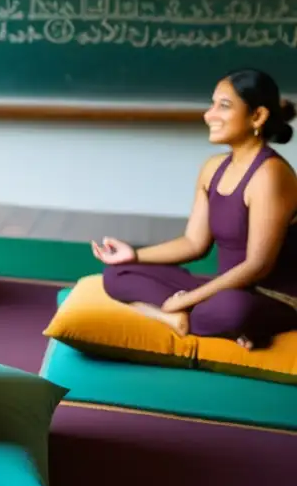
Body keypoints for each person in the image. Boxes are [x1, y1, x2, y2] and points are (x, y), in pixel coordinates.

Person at [94, 69, 297, 350]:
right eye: (211, 104)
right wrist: (136, 254)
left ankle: (191, 317)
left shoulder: (271, 174)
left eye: (223, 106)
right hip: (223, 288)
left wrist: (188, 299)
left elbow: (257, 266)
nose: (208, 115)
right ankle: (174, 319)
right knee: (117, 274)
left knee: (233, 310)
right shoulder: (213, 168)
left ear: (257, 116)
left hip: (269, 297)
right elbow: (194, 243)